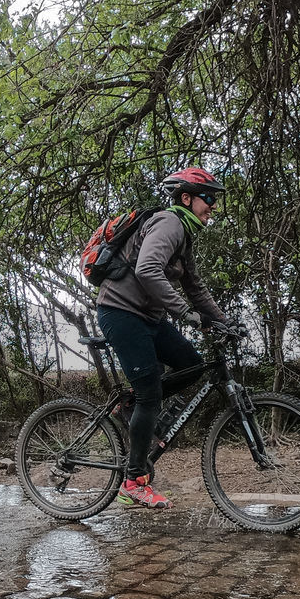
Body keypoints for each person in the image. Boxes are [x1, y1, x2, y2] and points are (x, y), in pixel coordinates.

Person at [96, 167, 236, 509]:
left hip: (149, 318)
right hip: (121, 312)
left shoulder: (184, 234)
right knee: (150, 394)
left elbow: (194, 286)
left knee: (192, 364)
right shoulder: (170, 222)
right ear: (186, 198)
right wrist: (187, 315)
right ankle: (133, 481)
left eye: (215, 199)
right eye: (209, 198)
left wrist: (224, 321)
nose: (213, 205)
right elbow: (146, 270)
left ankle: (129, 405)